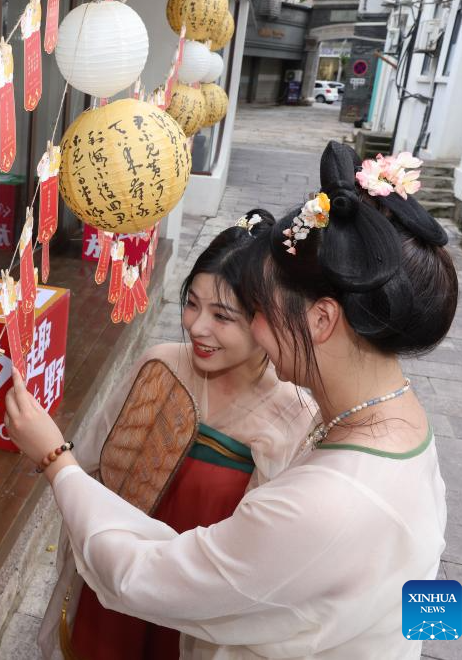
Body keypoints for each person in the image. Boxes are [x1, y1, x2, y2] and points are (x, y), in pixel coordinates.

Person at [9, 142, 453, 659]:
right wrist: (418, 644)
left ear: (321, 320)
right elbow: (427, 566)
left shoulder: (327, 501)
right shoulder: (408, 427)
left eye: (257, 308)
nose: (252, 326)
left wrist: (54, 461)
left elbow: (144, 577)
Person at [43, 209, 317, 659]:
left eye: (222, 315)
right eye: (192, 303)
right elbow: (94, 464)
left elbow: (259, 561)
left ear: (266, 320)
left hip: (197, 611)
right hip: (116, 582)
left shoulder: (290, 416)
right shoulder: (162, 364)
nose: (197, 327)